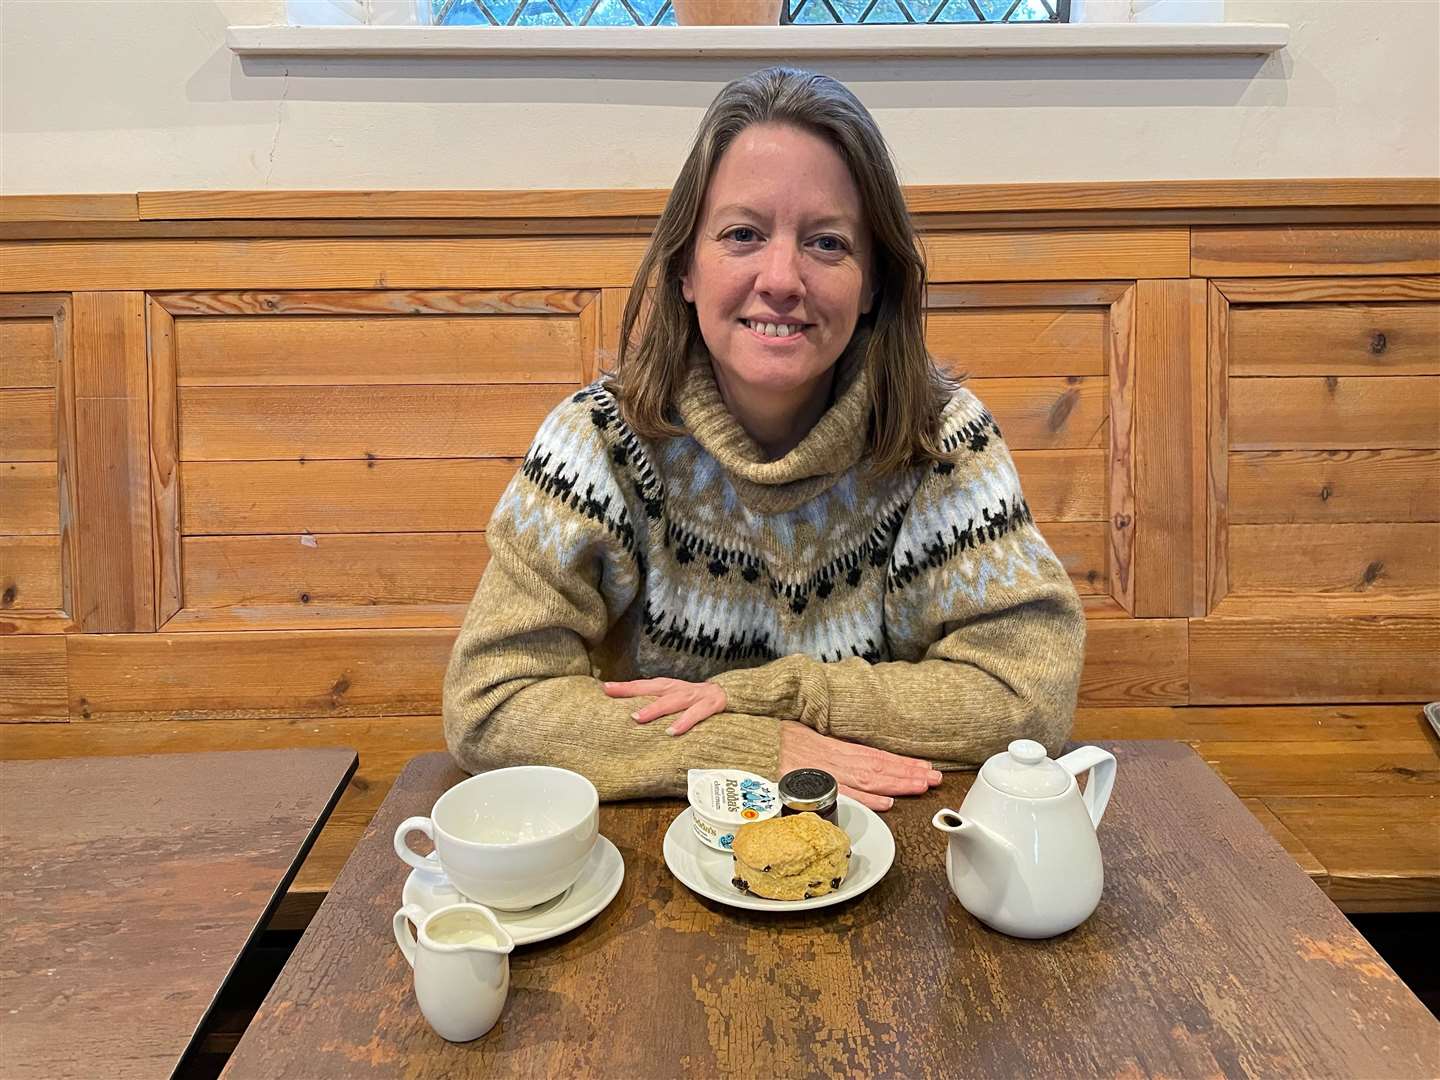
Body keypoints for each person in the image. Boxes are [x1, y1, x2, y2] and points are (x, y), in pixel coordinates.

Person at [443, 67, 1086, 812]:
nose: (781, 279)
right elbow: (490, 702)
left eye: (826, 243)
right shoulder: (597, 442)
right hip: (665, 847)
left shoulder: (941, 441)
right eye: (743, 234)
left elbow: (1027, 690)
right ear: (685, 266)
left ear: (875, 280)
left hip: (890, 844)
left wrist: (775, 698)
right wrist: (755, 750)